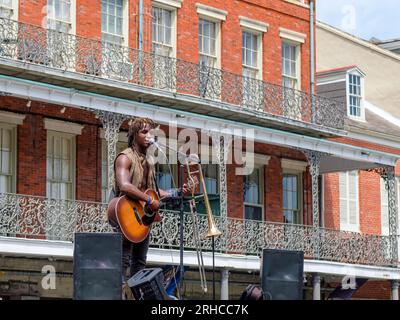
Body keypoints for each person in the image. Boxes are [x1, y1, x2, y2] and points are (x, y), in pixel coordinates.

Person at [108, 117, 191, 298]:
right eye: (144, 132)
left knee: (139, 262)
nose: (149, 136)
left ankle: (138, 296)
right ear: (134, 135)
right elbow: (124, 185)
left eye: (151, 133)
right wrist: (147, 200)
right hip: (125, 215)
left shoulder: (149, 162)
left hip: (143, 220)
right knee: (123, 260)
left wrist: (177, 192)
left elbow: (154, 192)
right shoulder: (125, 157)